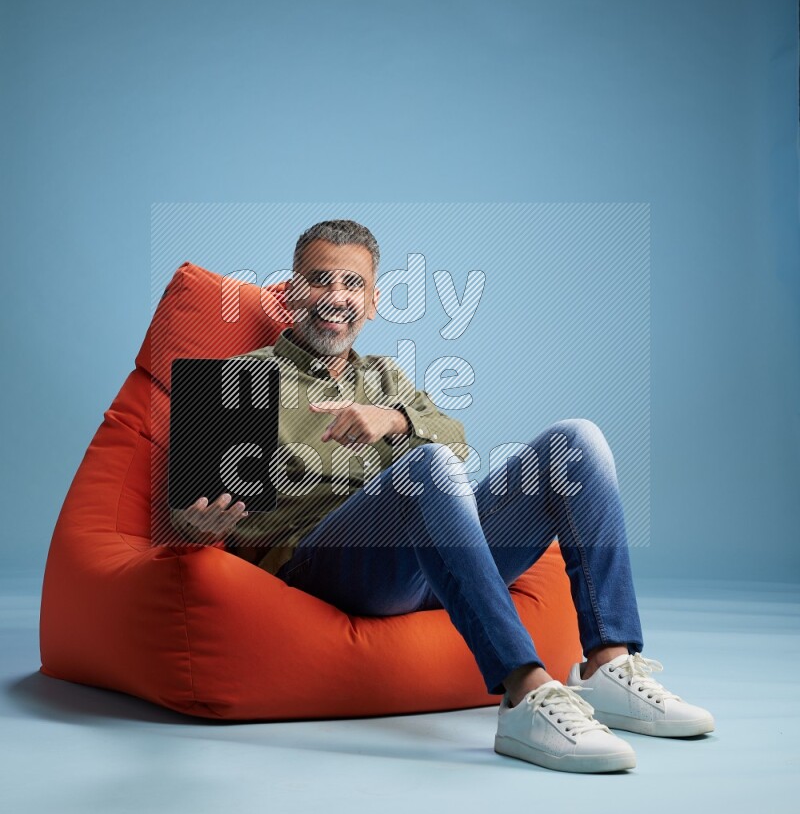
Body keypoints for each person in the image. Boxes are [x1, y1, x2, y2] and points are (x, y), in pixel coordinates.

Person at [171, 218, 715, 774]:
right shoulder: (236, 379)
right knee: (425, 467)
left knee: (577, 441)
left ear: (373, 303)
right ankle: (525, 693)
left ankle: (608, 665)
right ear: (290, 292)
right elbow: (182, 515)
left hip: (432, 561)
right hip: (327, 566)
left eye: (353, 284)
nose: (336, 297)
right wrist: (196, 526)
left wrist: (396, 419)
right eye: (319, 280)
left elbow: (456, 443)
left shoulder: (385, 377)